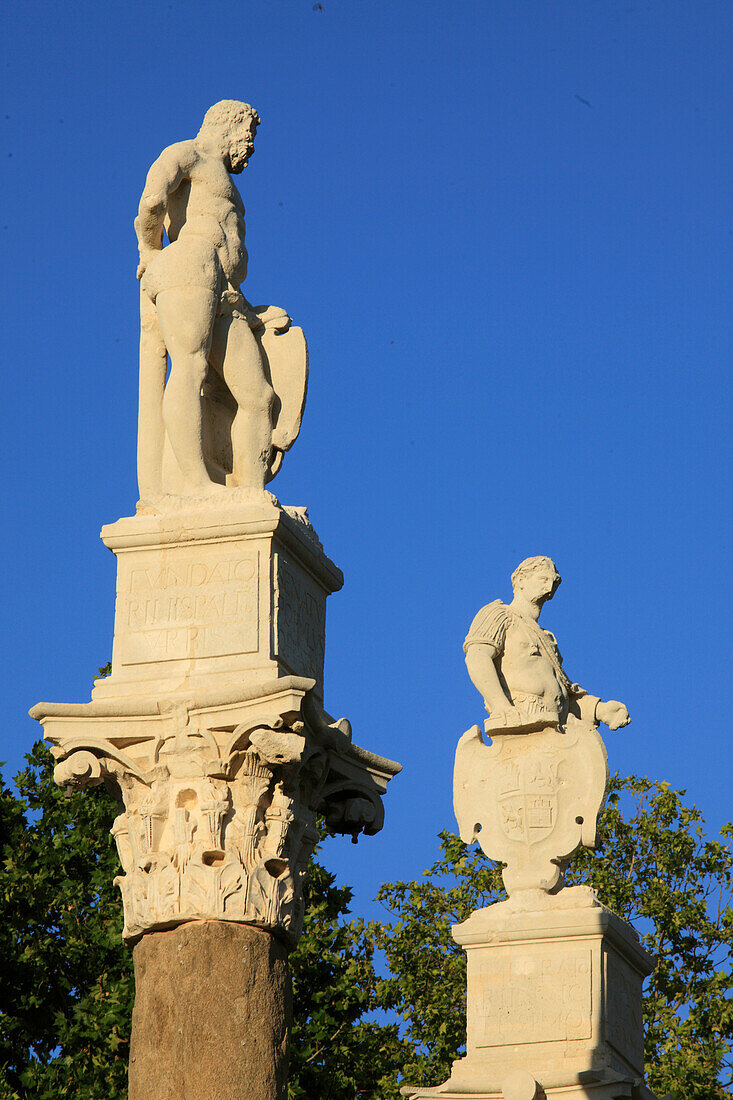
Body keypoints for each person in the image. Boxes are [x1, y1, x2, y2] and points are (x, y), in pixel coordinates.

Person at [135, 99, 274, 494]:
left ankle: (249, 493)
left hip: (228, 294)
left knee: (259, 397)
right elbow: (151, 201)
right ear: (227, 125)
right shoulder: (188, 153)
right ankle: (194, 484)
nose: (250, 144)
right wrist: (150, 252)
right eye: (248, 132)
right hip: (191, 264)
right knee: (190, 368)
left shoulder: (223, 178)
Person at [464, 555, 630, 730]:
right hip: (521, 718)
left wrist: (599, 710)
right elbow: (477, 657)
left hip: (555, 725)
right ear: (521, 580)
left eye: (555, 581)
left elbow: (561, 693)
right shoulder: (499, 614)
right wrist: (500, 706)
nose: (550, 586)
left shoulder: (547, 638)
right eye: (543, 579)